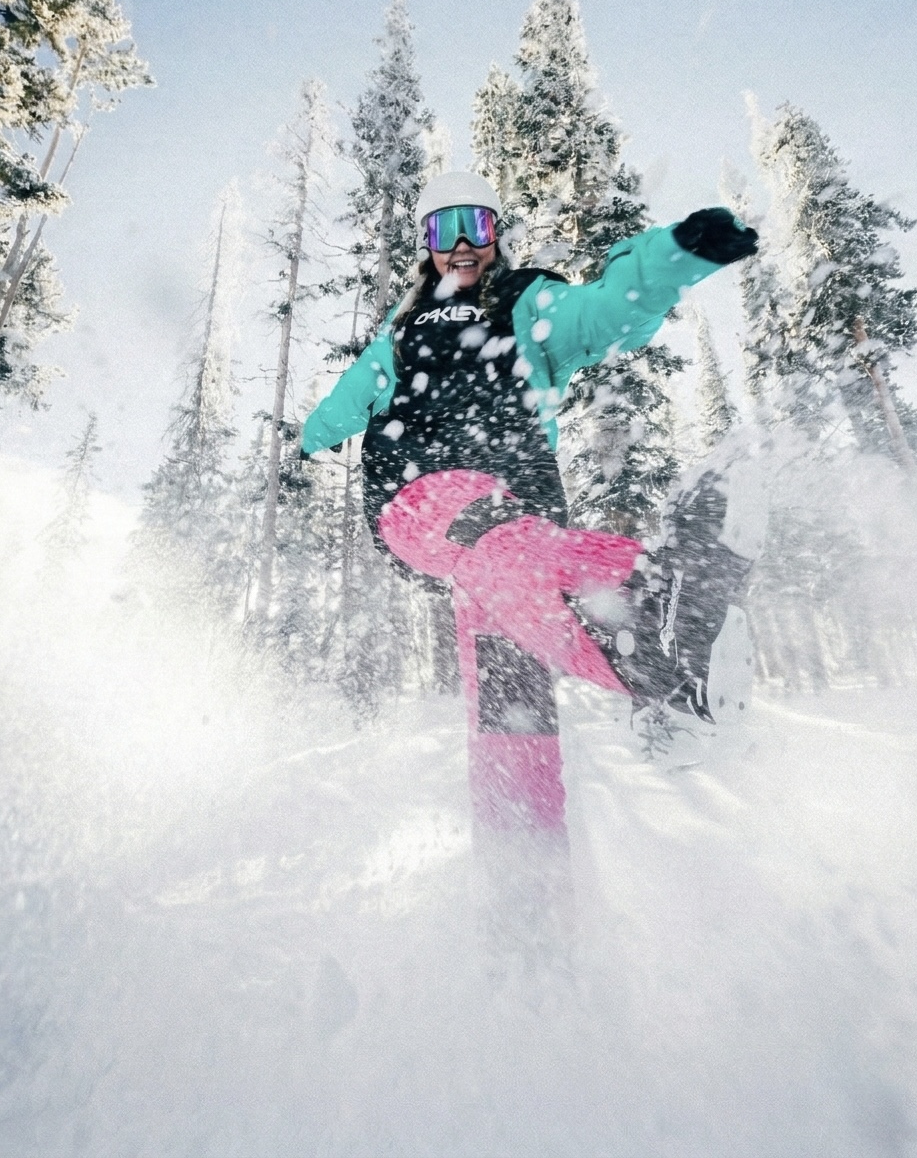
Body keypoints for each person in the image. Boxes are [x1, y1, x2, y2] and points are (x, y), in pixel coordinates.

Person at [299, 170, 759, 842]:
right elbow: (344, 401)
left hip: (518, 507)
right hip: (416, 495)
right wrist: (308, 440)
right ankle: (660, 622)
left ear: (496, 235)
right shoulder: (402, 332)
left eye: (476, 226)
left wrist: (675, 255)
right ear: (425, 243)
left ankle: (527, 883)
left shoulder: (525, 301)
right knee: (500, 541)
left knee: (512, 699)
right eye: (442, 229)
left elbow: (605, 311)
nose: (461, 244)